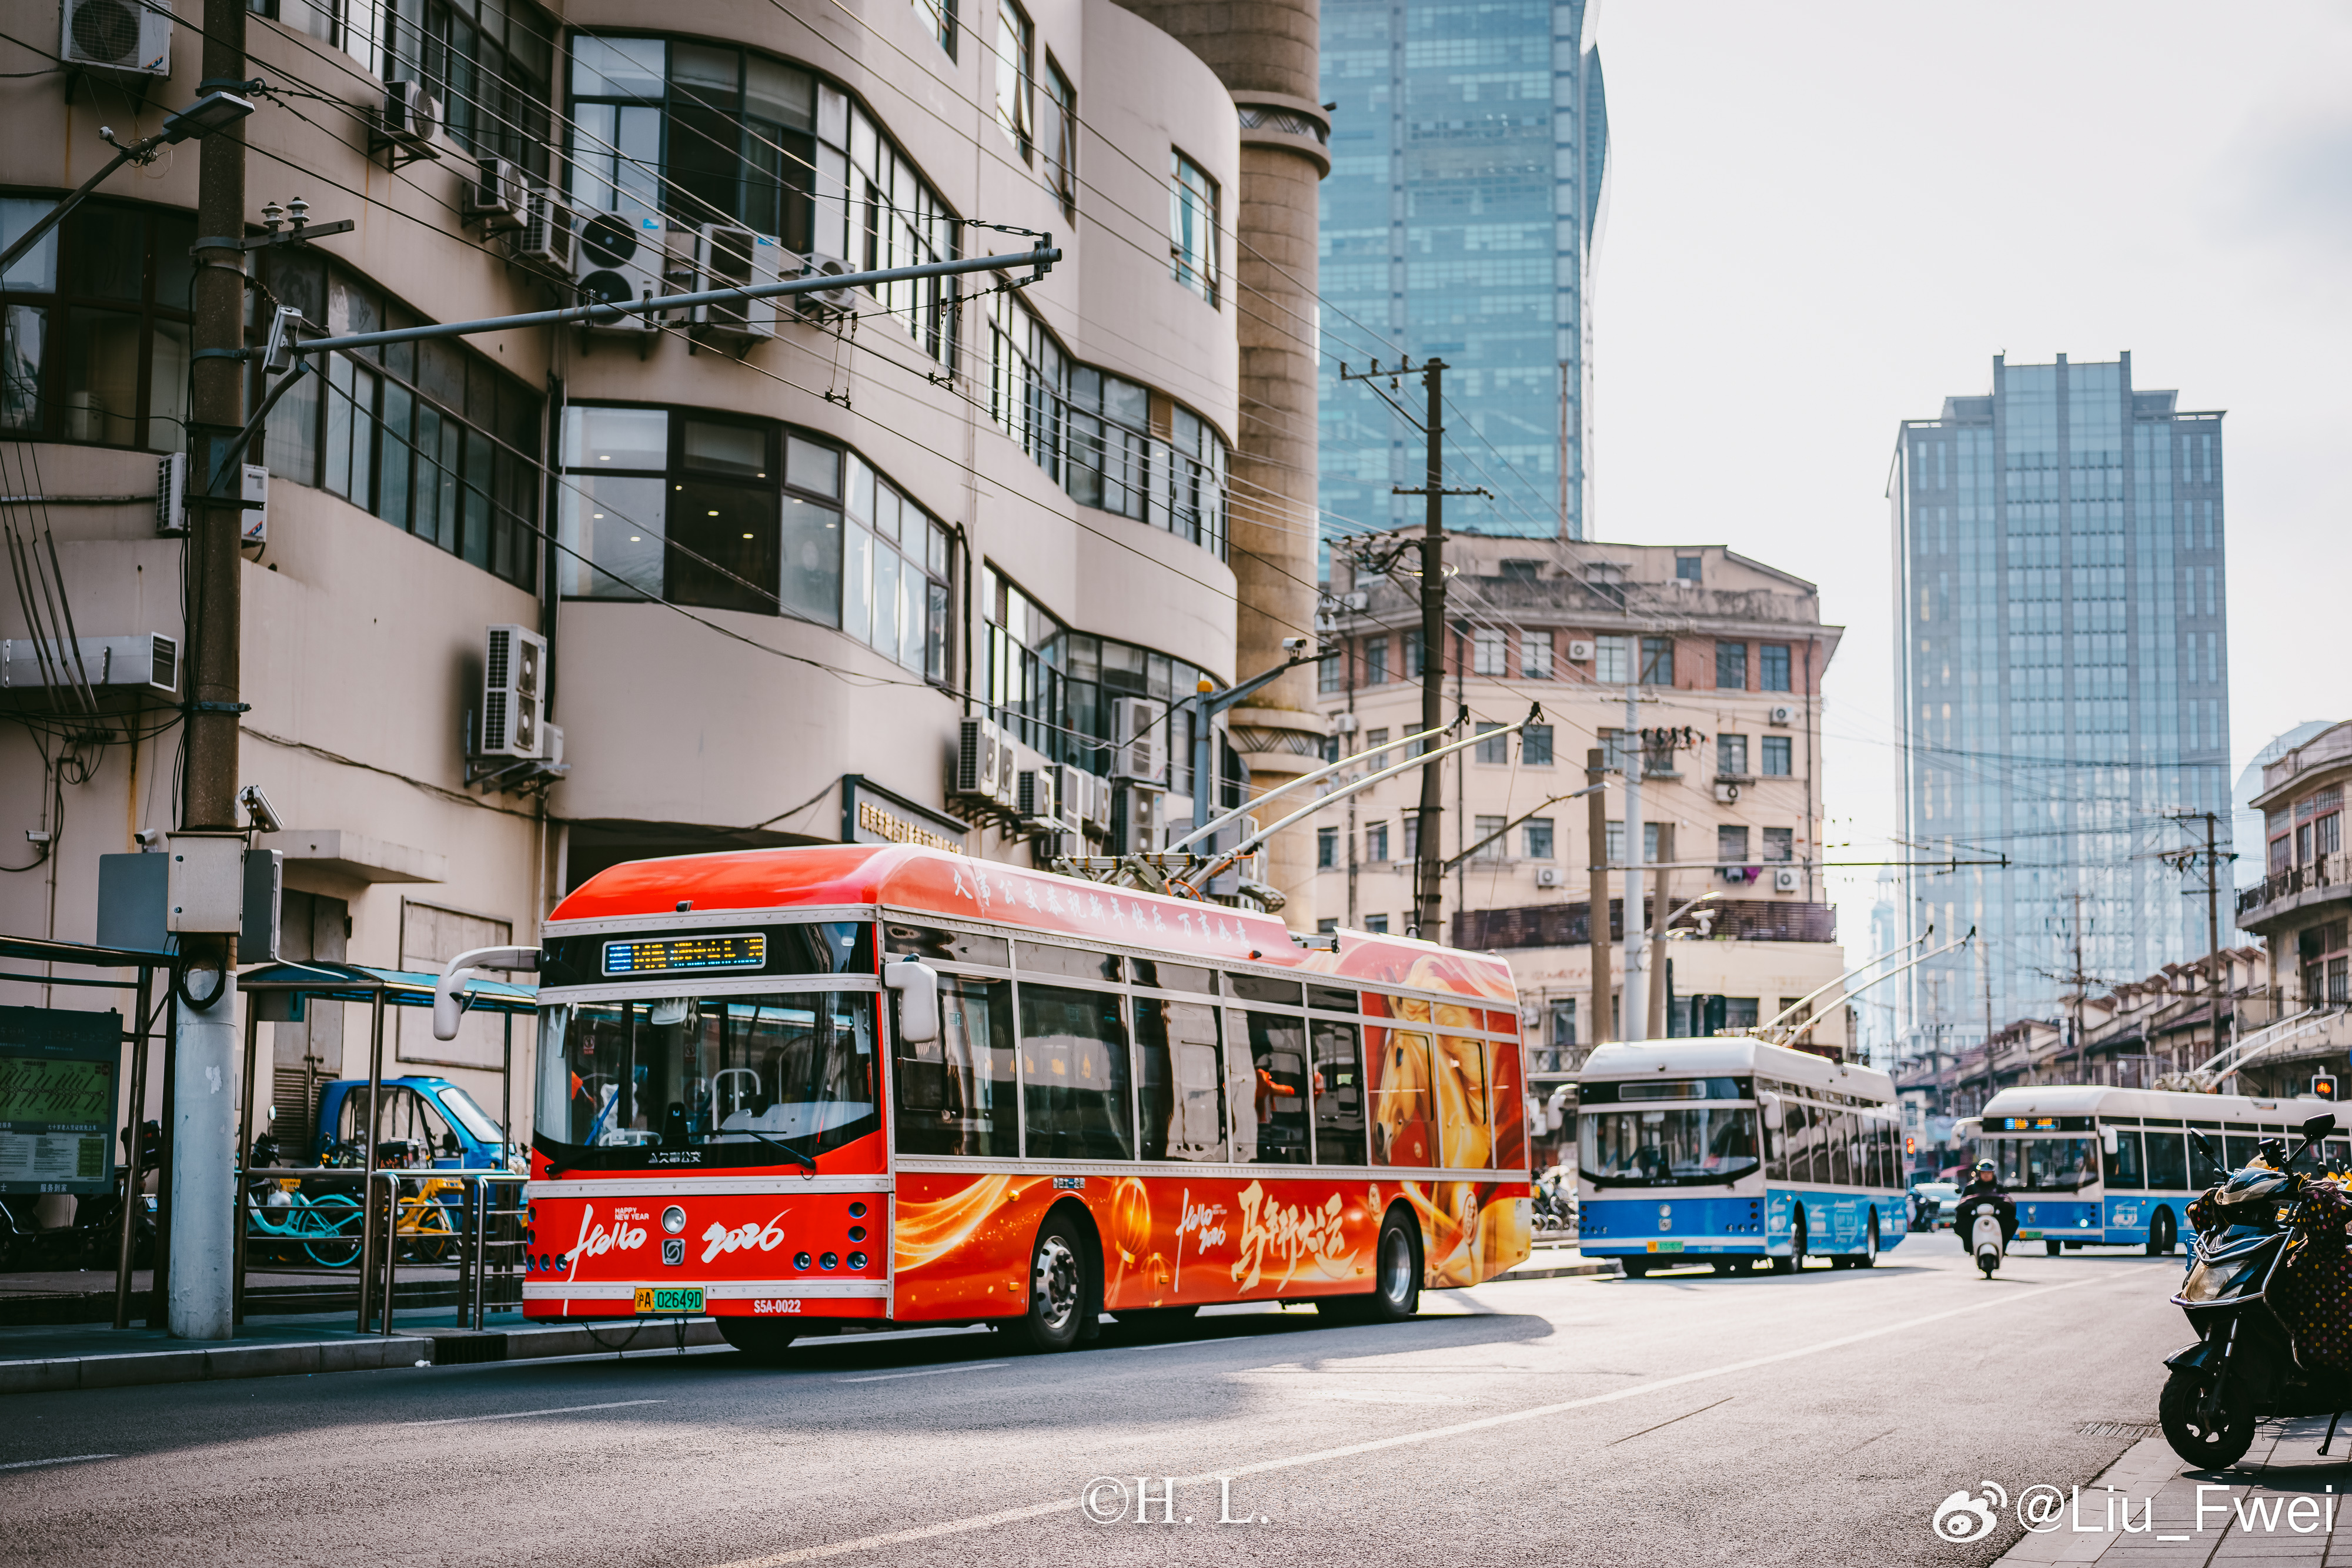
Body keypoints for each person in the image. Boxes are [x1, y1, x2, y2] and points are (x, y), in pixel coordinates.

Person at [1949, 1158, 2017, 1249]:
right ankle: (1970, 1247)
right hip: (1974, 1218)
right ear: (1979, 1173)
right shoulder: (1971, 1188)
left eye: (1989, 1173)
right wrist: (1970, 1205)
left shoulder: (1999, 1188)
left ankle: (2002, 1246)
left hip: (1996, 1218)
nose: (1986, 1175)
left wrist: (2002, 1204)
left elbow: (2008, 1201)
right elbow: (1962, 1204)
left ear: (1993, 1174)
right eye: (1983, 1173)